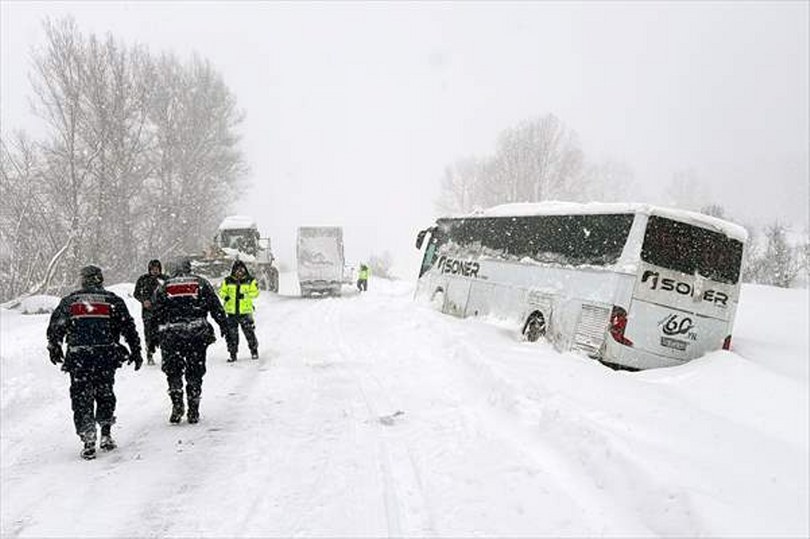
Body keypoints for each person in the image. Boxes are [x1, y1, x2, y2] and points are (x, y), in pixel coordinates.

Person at [46, 265, 143, 460]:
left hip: (79, 357)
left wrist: (54, 346)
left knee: (81, 396)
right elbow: (128, 327)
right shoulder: (112, 300)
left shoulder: (70, 301)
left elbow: (56, 326)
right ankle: (106, 432)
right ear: (100, 279)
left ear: (83, 280)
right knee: (105, 392)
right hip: (105, 355)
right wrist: (136, 350)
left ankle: (88, 437)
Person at [152, 257, 230, 424]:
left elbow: (155, 313)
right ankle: (193, 408)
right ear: (189, 268)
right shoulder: (201, 283)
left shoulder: (164, 287)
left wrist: (153, 337)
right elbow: (215, 306)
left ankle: (177, 402)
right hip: (197, 334)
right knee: (195, 370)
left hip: (172, 335)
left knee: (173, 371)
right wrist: (224, 326)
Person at [219, 260, 260, 362]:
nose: (239, 272)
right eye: (237, 270)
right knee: (232, 335)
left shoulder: (250, 281)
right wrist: (226, 296)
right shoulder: (227, 281)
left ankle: (254, 351)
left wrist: (245, 295)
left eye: (241, 270)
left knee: (249, 333)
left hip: (245, 312)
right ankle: (233, 354)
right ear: (233, 271)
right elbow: (221, 291)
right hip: (231, 312)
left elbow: (255, 293)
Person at [134, 259, 167, 366]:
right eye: (153, 269)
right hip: (148, 312)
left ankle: (165, 355)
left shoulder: (165, 280)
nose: (155, 271)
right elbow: (136, 293)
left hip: (163, 312)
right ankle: (149, 354)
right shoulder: (143, 279)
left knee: (164, 334)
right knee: (149, 334)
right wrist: (144, 300)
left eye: (157, 269)